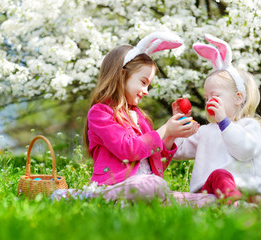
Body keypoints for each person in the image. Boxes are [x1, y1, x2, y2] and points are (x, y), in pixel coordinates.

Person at [74, 32, 215, 206]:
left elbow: (157, 164)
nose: (146, 91)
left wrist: (171, 135)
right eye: (143, 82)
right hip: (116, 187)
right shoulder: (101, 113)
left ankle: (232, 203)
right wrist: (164, 130)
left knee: (207, 199)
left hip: (147, 188)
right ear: (121, 75)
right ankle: (85, 196)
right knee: (152, 186)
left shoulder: (141, 118)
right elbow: (127, 150)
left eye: (148, 85)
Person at [173, 34, 261, 205]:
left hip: (246, 192)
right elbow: (178, 151)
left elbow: (244, 151)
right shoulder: (205, 131)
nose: (209, 101)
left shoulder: (250, 126)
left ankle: (244, 205)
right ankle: (235, 206)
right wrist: (178, 123)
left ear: (238, 98)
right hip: (209, 190)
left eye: (215, 95)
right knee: (219, 174)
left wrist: (224, 122)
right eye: (207, 97)